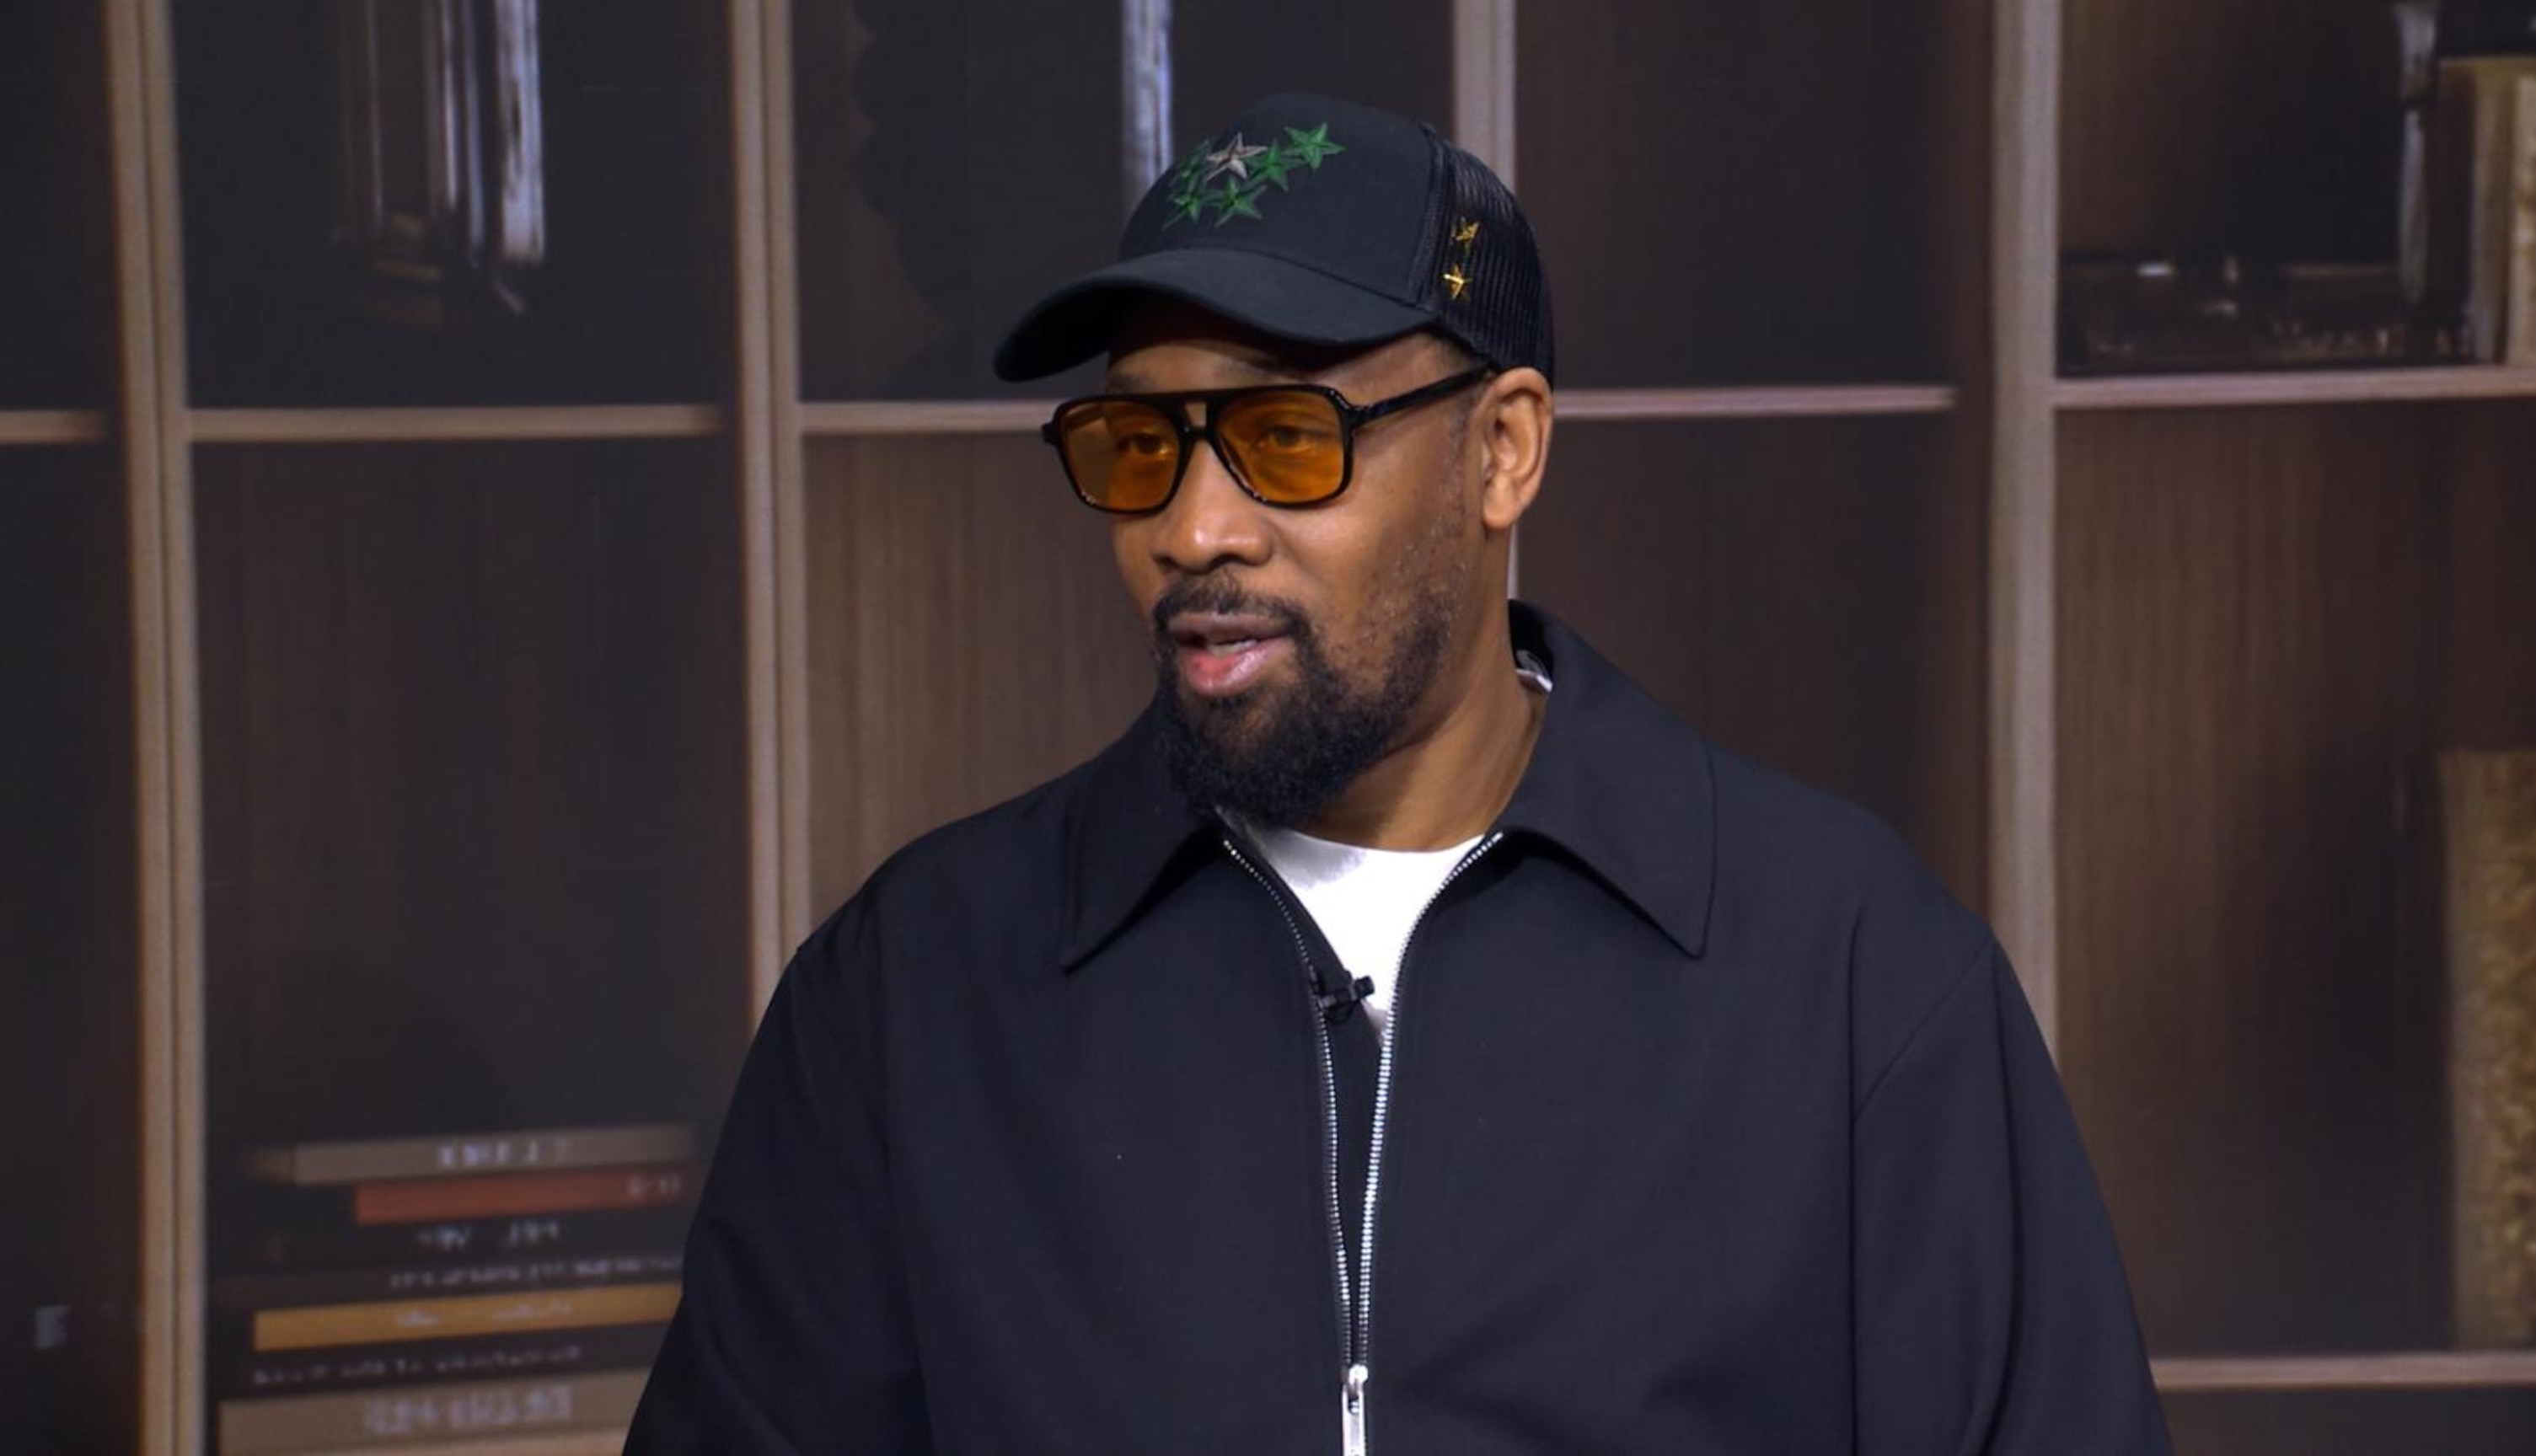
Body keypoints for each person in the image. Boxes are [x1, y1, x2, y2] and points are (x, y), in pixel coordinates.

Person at [625, 92, 2173, 1454]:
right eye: (1139, 443)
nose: (1193, 529)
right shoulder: (910, 994)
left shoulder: (1851, 976)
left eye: (1287, 436)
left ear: (1503, 451)